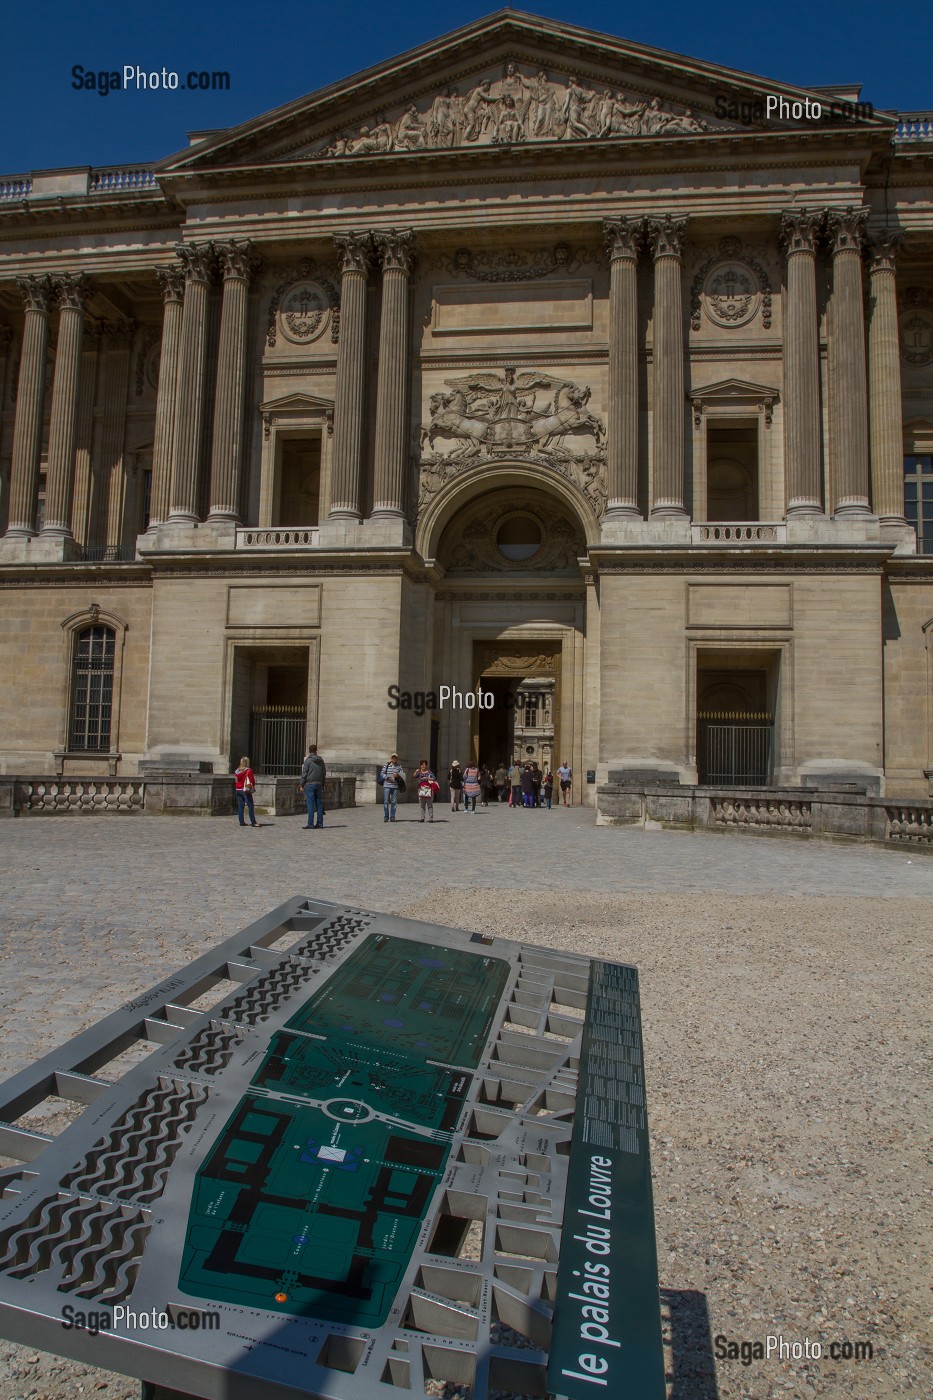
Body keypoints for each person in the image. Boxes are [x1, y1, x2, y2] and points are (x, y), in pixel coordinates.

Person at [299, 743, 326, 829]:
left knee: (310, 804)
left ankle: (310, 824)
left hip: (310, 784)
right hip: (319, 784)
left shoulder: (308, 761)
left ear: (309, 751)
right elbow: (324, 773)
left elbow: (304, 774)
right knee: (319, 804)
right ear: (316, 751)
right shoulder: (321, 761)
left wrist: (301, 784)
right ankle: (320, 823)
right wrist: (323, 784)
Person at [379, 753, 405, 823]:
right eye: (393, 757)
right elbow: (382, 774)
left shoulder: (399, 766)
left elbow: (402, 775)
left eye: (395, 758)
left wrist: (398, 775)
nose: (394, 759)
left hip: (395, 786)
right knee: (386, 802)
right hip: (387, 786)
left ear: (397, 759)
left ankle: (392, 816)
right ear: (391, 758)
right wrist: (387, 777)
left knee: (394, 802)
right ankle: (386, 817)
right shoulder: (387, 765)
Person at [234, 756, 258, 828]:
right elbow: (252, 780)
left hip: (238, 789)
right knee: (250, 806)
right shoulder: (248, 770)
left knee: (241, 806)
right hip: (245, 790)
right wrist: (252, 787)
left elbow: (236, 780)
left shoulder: (237, 771)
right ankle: (253, 822)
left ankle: (241, 822)